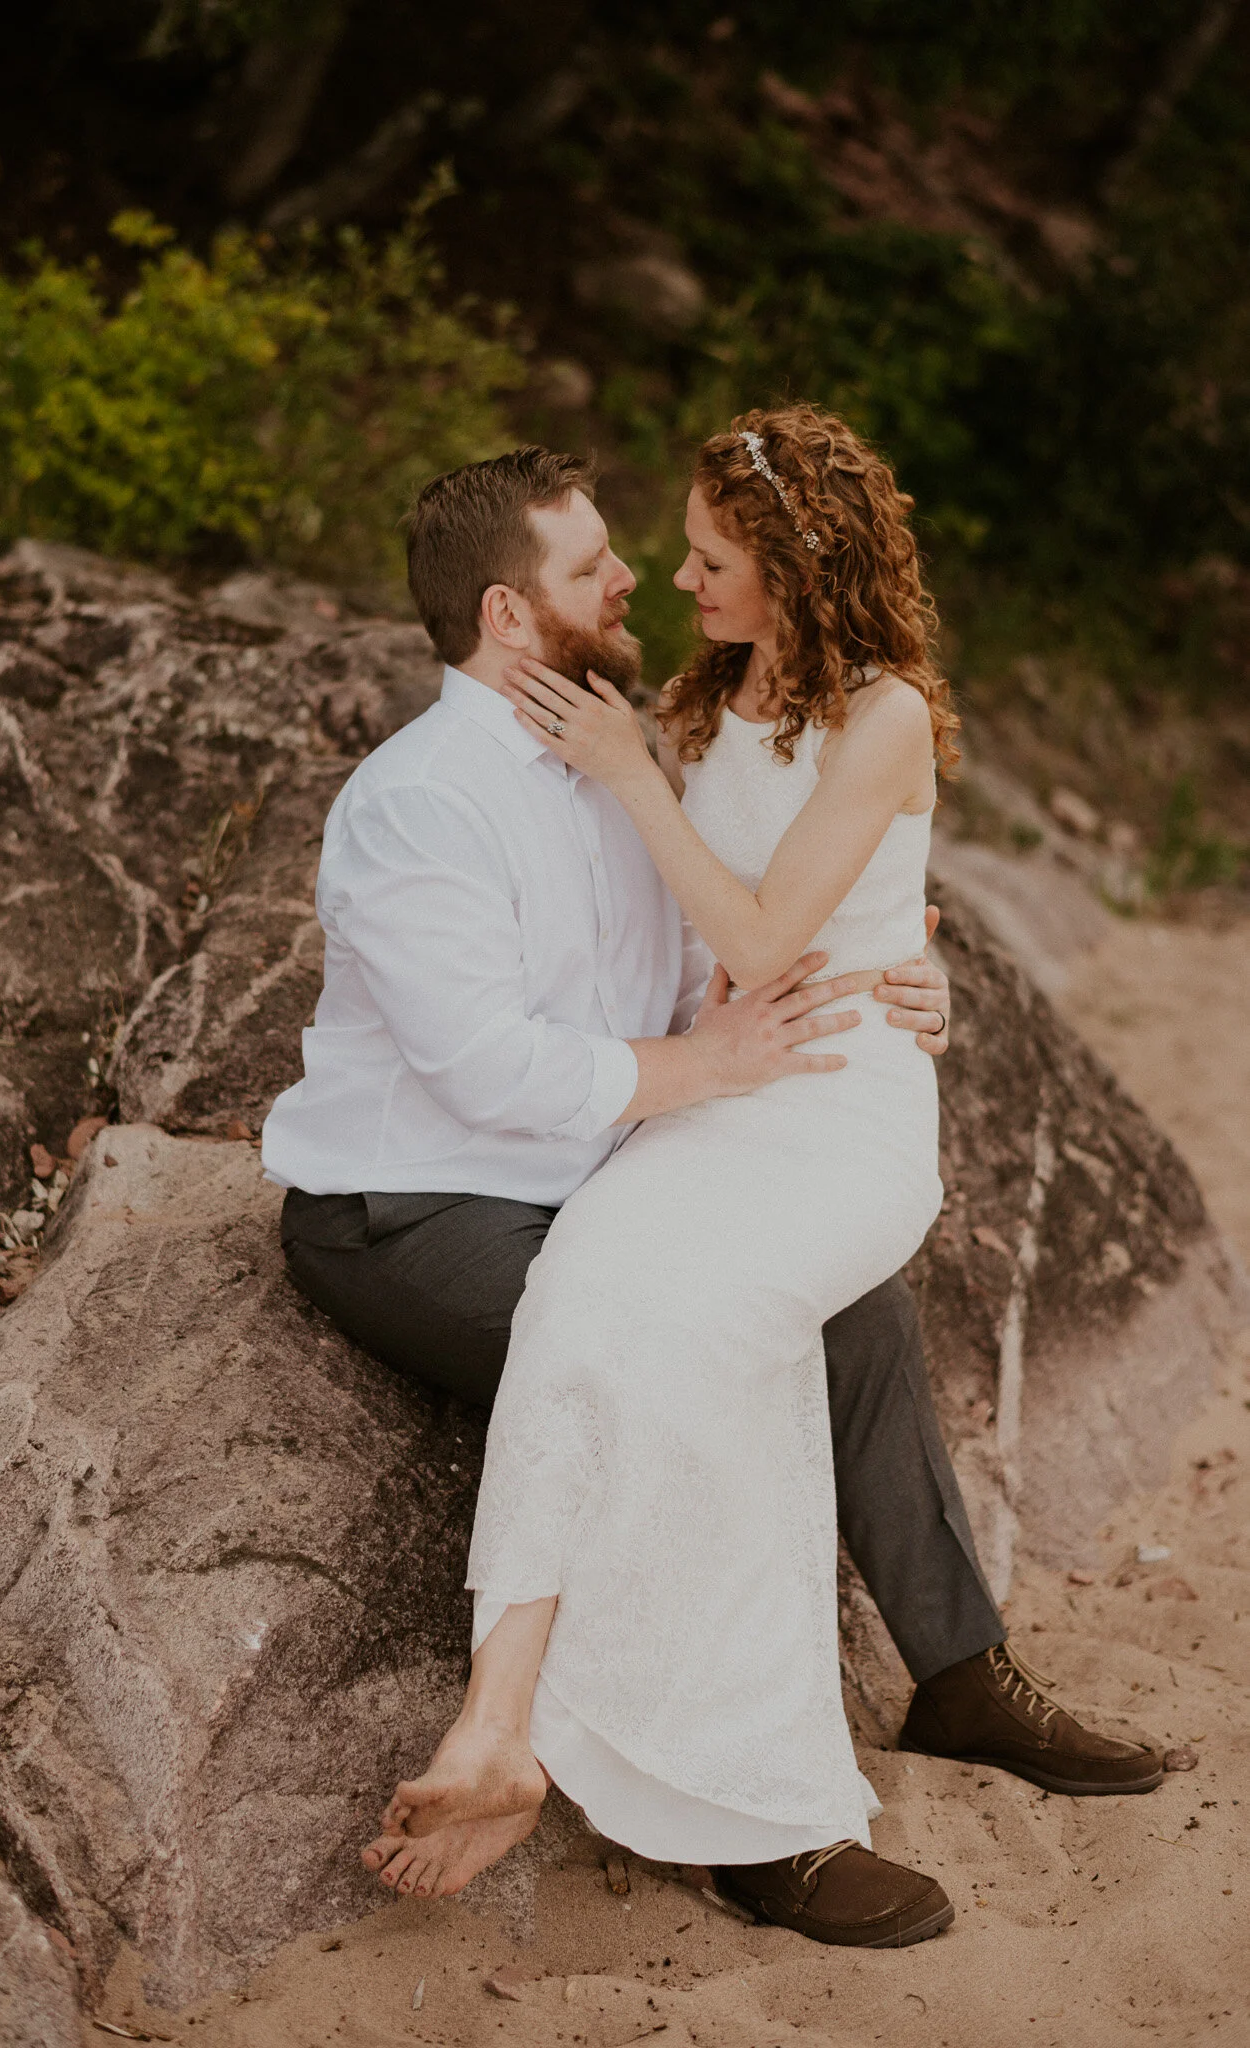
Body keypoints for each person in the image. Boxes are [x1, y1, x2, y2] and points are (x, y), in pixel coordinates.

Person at [261, 431, 1164, 1948]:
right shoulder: (417, 805)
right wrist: (708, 1071)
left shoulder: (629, 738)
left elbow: (713, 938)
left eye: (665, 553)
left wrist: (898, 962)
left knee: (849, 1305)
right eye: (593, 563)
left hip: (602, 1165)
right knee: (702, 1367)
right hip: (418, 1207)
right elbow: (494, 1074)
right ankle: (748, 1822)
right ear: (503, 614)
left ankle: (950, 1671)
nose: (639, 581)